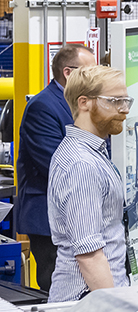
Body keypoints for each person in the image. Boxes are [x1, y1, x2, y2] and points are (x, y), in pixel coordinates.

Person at [46, 65, 131, 302]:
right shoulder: (81, 164)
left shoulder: (92, 153)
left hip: (99, 296)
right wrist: (115, 309)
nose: (124, 109)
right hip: (88, 302)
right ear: (84, 103)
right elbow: (89, 255)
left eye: (126, 101)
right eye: (114, 101)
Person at [15, 43, 96, 292]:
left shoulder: (80, 103)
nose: (96, 77)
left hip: (79, 214)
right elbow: (58, 166)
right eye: (90, 71)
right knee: (59, 290)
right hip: (50, 221)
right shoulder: (42, 107)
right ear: (68, 73)